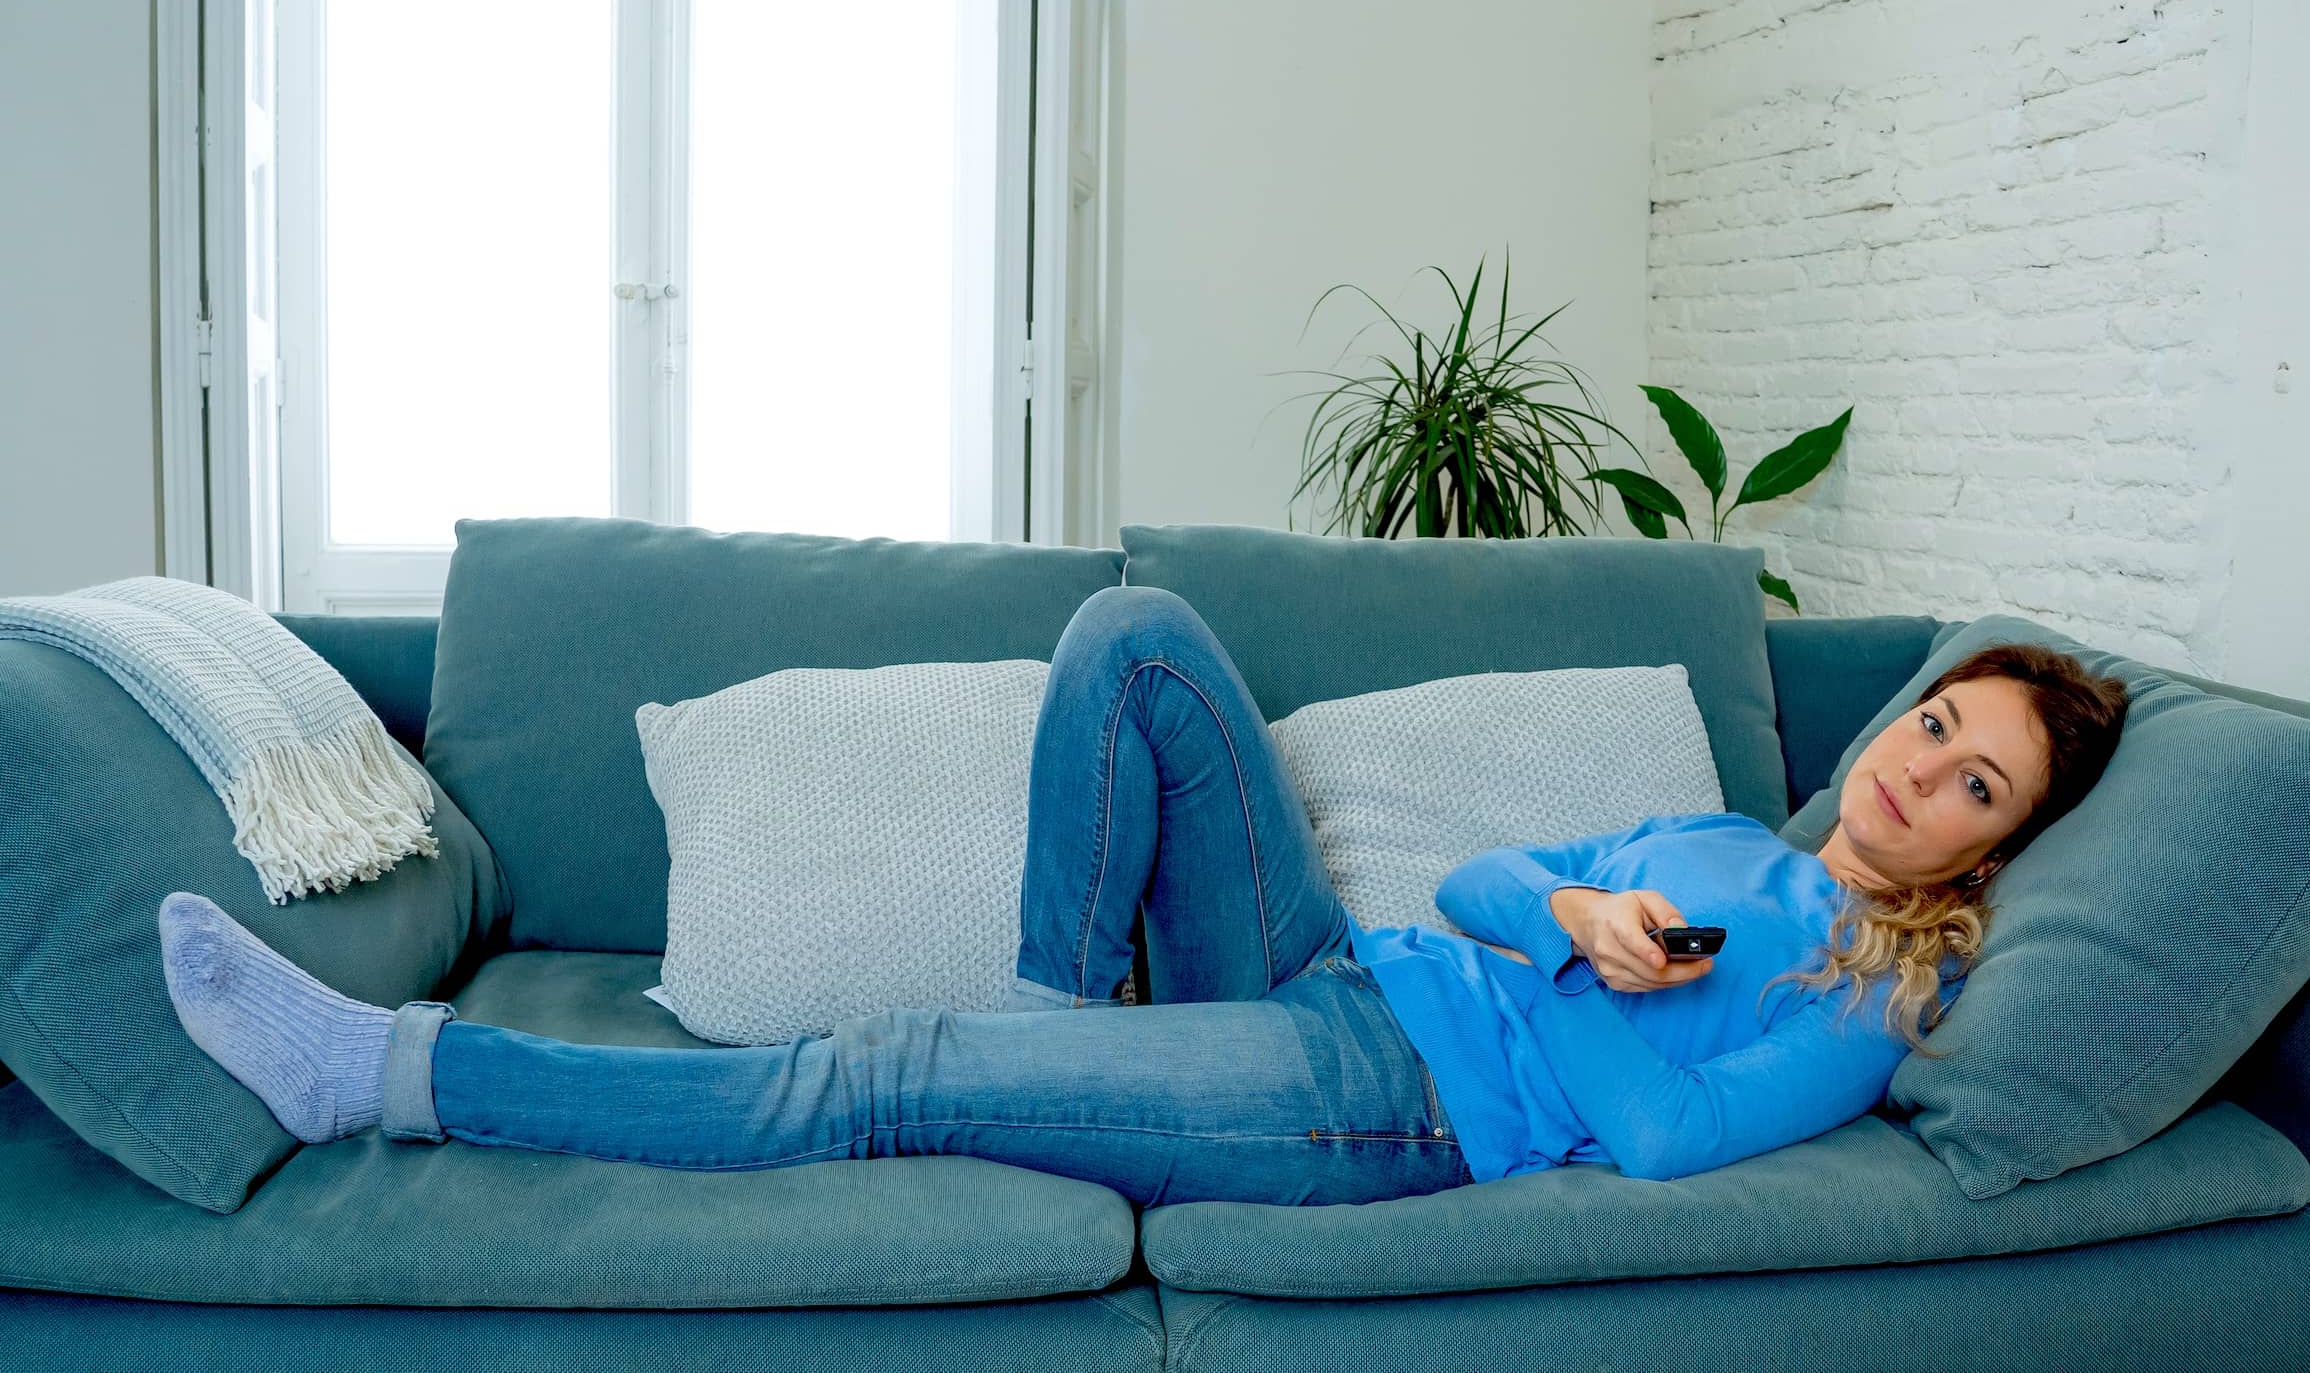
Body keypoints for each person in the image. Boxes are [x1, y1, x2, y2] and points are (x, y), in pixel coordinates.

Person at [158, 585, 2128, 1207]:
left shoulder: (1877, 992)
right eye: (1940, 718)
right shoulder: (1722, 848)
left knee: (881, 1068)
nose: (1925, 765)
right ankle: (1048, 1005)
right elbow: (1485, 873)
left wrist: (1591, 1001)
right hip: (1350, 971)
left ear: (1985, 845)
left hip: (1395, 1103)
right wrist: (1573, 920)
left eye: (1978, 782)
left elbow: (1676, 1126)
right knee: (1139, 635)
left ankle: (395, 1072)